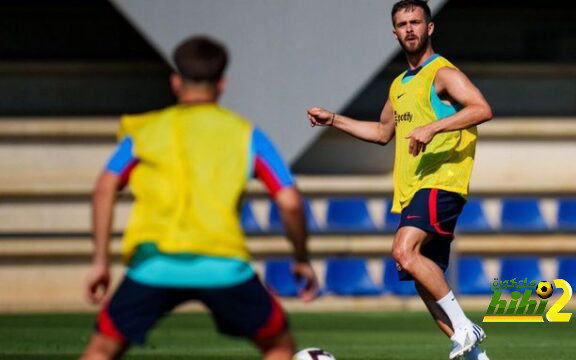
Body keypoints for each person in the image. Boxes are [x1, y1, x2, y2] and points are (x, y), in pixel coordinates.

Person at [81, 36, 319, 360]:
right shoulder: (246, 135)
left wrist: (99, 261)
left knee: (102, 350)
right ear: (222, 84)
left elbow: (104, 187)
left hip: (154, 264)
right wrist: (301, 258)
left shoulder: (144, 131)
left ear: (176, 82)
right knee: (279, 346)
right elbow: (289, 201)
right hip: (223, 265)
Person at [307, 1, 492, 359]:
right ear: (394, 33)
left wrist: (433, 126)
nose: (409, 29)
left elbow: (481, 108)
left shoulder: (443, 73)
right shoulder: (399, 85)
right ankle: (475, 354)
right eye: (402, 24)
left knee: (403, 252)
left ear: (430, 28)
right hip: (412, 189)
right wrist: (333, 119)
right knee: (426, 278)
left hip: (442, 181)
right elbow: (381, 132)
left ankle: (466, 327)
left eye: (416, 22)